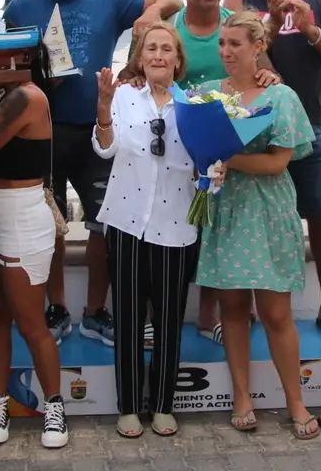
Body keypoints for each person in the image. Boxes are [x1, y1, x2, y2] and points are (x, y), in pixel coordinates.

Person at [2, 0, 182, 346]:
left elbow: (174, 1)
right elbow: (5, 59)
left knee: (105, 225)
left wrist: (149, 14)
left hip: (99, 131)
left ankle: (96, 312)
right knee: (51, 225)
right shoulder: (23, 6)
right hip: (42, 131)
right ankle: (57, 306)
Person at [224, 0, 321, 342]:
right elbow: (255, 64)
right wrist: (276, 22)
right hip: (256, 127)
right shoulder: (238, 3)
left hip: (312, 122)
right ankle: (245, 306)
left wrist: (309, 27)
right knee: (248, 217)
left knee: (320, 215)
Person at [194, 11, 318, 439]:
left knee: (276, 312)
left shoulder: (279, 96)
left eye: (235, 44)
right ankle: (241, 396)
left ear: (258, 46)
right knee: (232, 309)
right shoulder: (208, 94)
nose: (226, 52)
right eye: (222, 44)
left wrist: (226, 158)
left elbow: (278, 161)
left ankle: (295, 401)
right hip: (225, 207)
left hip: (266, 210)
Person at [93, 23, 200, 439]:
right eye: (151, 48)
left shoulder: (194, 104)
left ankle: (163, 405)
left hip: (177, 226)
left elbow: (205, 161)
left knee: (171, 320)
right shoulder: (121, 96)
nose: (158, 55)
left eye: (166, 49)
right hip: (126, 221)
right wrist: (103, 111)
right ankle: (128, 407)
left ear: (178, 59)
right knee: (130, 318)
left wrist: (215, 168)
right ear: (139, 58)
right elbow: (104, 148)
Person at [173, 0, 278, 345]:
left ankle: (209, 315)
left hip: (231, 150)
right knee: (186, 229)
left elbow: (265, 73)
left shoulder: (237, 25)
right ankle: (176, 314)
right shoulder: (173, 27)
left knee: (217, 229)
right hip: (183, 143)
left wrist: (268, 75)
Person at [0, 43, 67, 449]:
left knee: (31, 322)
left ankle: (54, 406)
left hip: (23, 213)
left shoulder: (27, 96)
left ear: (21, 59)